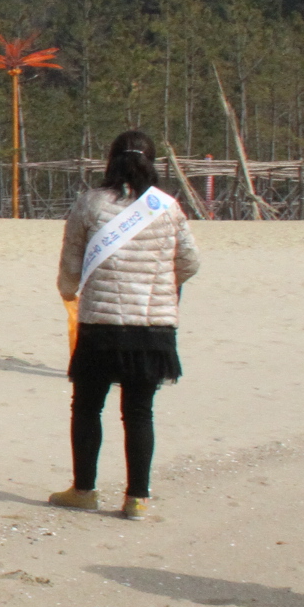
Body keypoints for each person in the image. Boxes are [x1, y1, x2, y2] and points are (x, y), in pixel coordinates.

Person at [49, 129, 199, 520]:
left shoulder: (91, 203)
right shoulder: (167, 206)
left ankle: (84, 489)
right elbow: (190, 261)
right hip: (154, 326)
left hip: (101, 323)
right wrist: (163, 282)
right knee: (139, 412)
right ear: (153, 162)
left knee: (86, 406)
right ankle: (137, 498)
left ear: (110, 160)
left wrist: (68, 291)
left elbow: (71, 263)